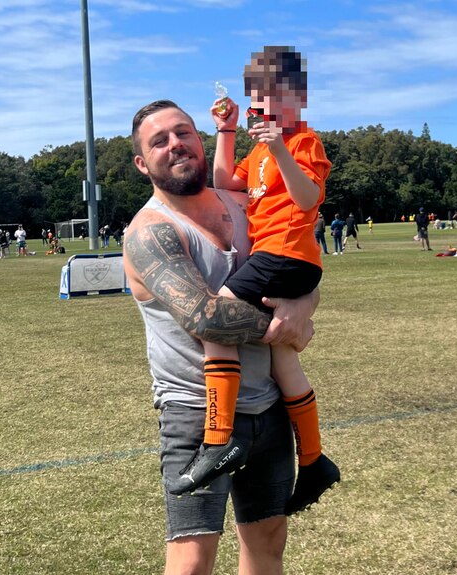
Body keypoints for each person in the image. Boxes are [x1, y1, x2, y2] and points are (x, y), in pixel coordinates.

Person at [124, 99, 319, 574]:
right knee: (192, 560)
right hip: (196, 413)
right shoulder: (150, 232)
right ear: (142, 162)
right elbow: (206, 318)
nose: (175, 145)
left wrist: (303, 305)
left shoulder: (241, 202)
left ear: (198, 138)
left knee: (268, 542)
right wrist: (283, 327)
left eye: (183, 132)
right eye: (159, 141)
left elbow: (298, 265)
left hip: (268, 409)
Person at [190, 46, 338, 503]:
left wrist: (279, 147)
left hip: (285, 253)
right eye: (257, 101)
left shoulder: (302, 141)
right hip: (284, 260)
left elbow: (308, 195)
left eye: (274, 101)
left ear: (298, 99)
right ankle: (314, 461)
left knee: (214, 321)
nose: (265, 110)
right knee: (282, 357)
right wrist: (227, 130)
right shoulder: (257, 151)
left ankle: (218, 439)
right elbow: (222, 179)